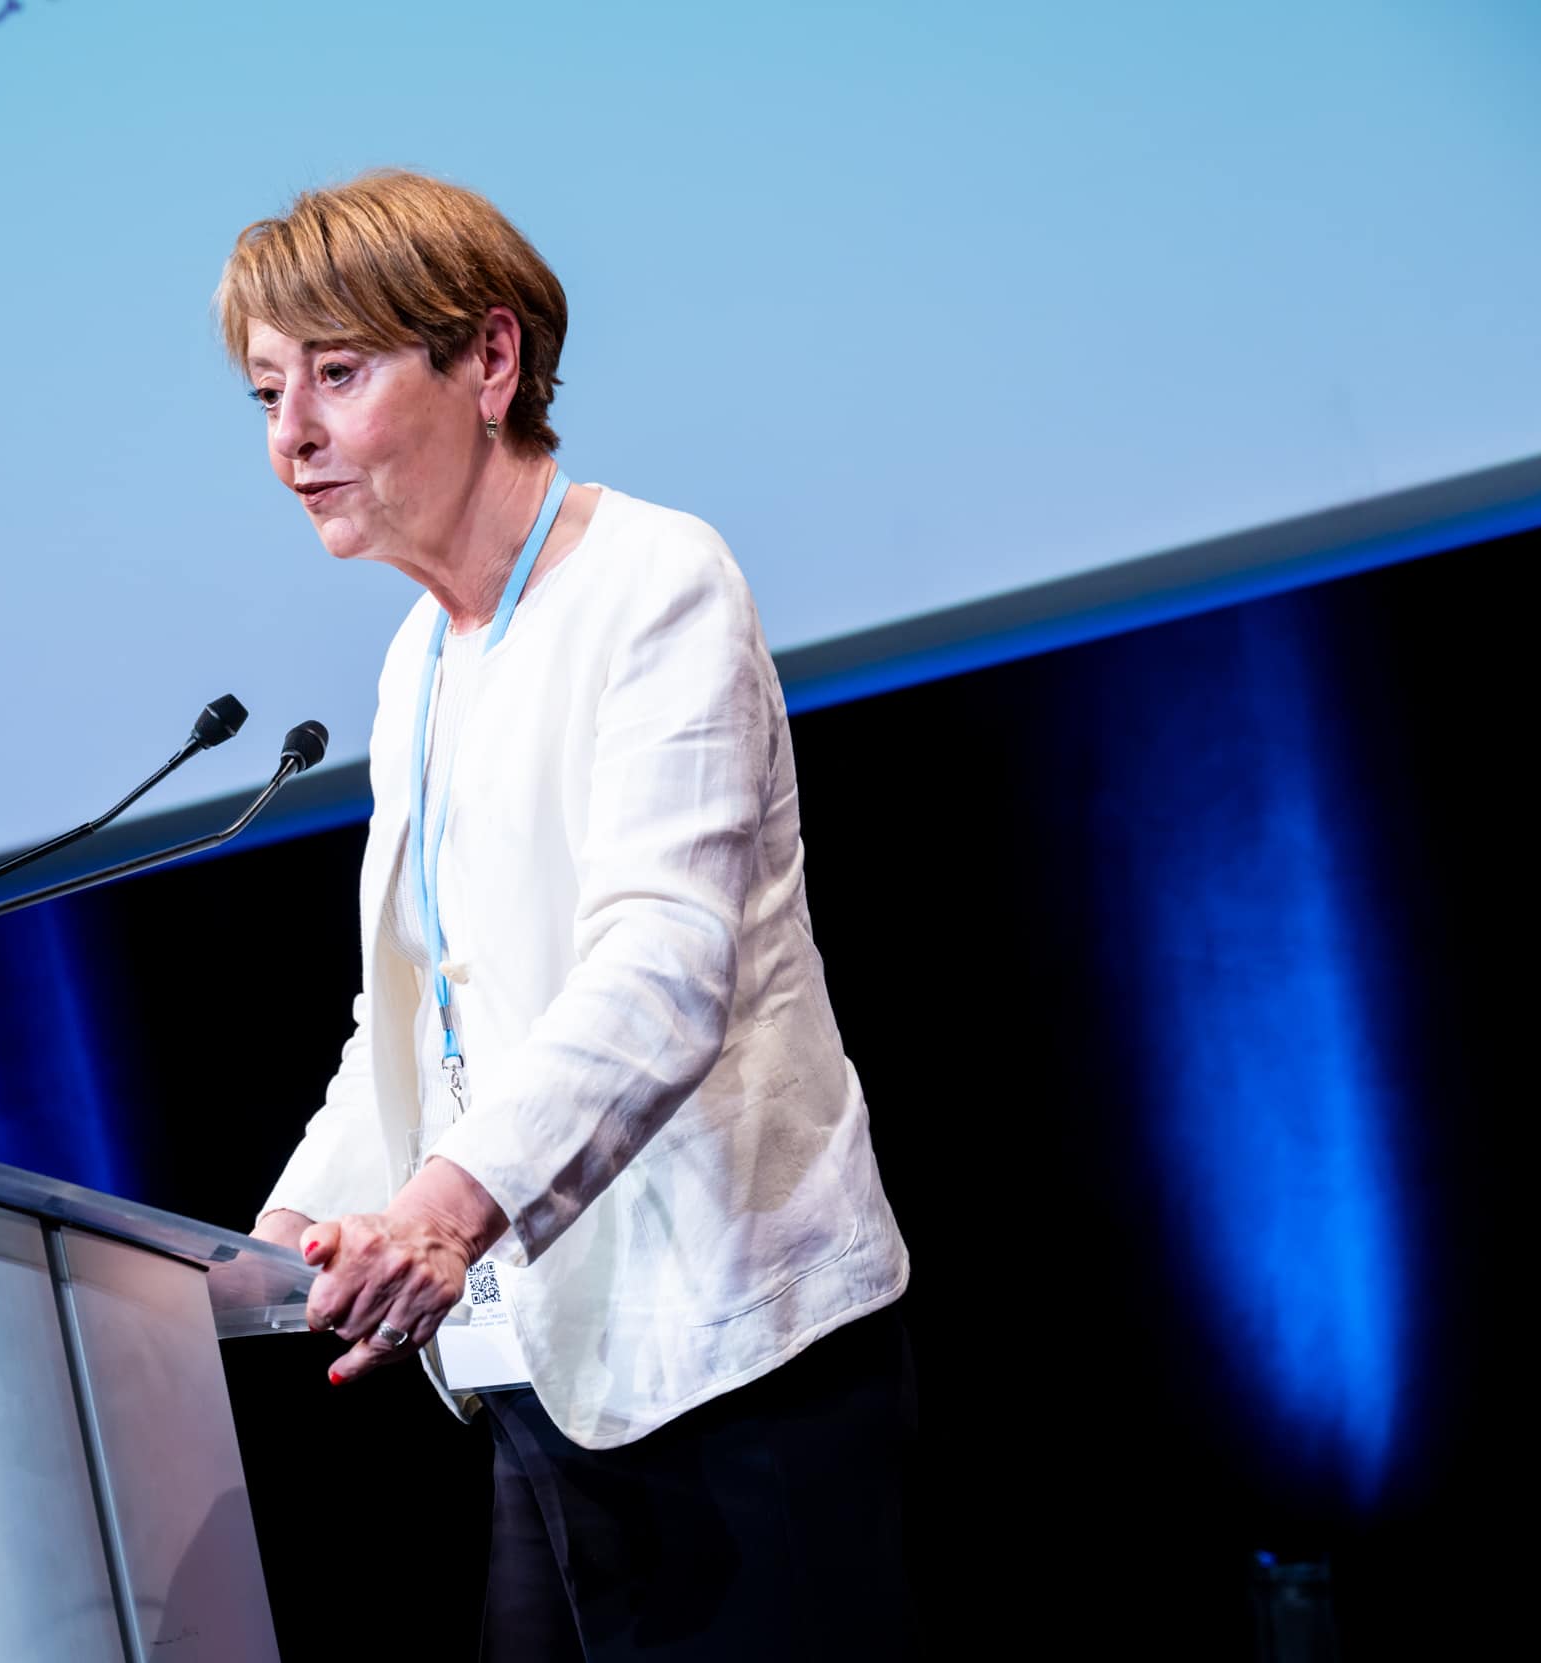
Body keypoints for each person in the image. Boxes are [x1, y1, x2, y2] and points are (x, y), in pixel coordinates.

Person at [223, 170, 913, 1660]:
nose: (290, 440)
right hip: (534, 1363)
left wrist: (439, 1214)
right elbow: (407, 1025)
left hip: (732, 1355)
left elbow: (664, 971)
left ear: (490, 360)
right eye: (269, 391)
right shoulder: (421, 659)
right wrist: (258, 1262)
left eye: (337, 376)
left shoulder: (657, 581)